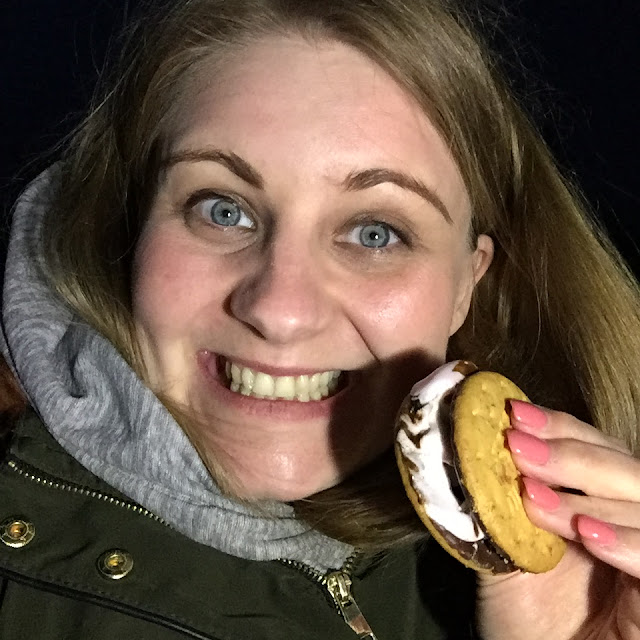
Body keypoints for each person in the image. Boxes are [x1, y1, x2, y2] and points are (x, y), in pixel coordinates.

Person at [1, 0, 639, 638]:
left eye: (374, 233)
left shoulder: (541, 592)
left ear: (466, 285)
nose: (280, 312)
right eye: (223, 210)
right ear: (129, 232)